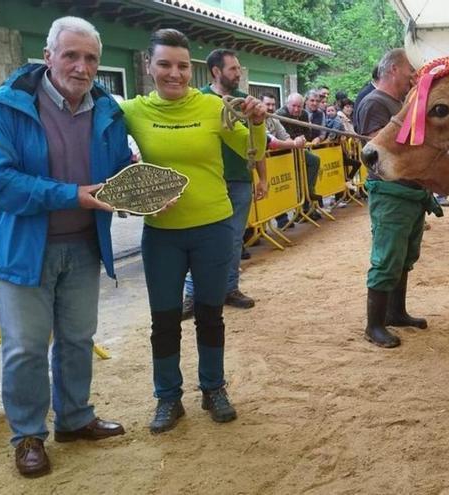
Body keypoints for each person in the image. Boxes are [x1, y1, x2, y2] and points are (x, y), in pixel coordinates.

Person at [0, 16, 128, 478]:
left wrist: (137, 192)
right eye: (71, 55)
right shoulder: (5, 105)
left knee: (78, 339)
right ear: (48, 56)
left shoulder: (108, 109)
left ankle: (75, 418)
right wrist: (73, 194)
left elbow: (118, 170)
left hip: (83, 245)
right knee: (25, 347)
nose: (82, 67)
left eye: (91, 58)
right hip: (23, 250)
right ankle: (27, 435)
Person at [118, 29, 267, 434]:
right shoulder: (132, 111)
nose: (174, 73)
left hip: (214, 228)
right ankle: (168, 398)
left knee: (210, 314)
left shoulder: (212, 105)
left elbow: (252, 150)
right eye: (164, 64)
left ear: (193, 69)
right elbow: (107, 154)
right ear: (149, 66)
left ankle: (213, 388)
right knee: (164, 320)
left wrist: (256, 122)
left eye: (182, 65)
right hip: (162, 233)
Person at [355, 48, 443, 348]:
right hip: (390, 193)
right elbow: (378, 150)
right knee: (387, 257)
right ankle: (374, 325)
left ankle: (396, 312)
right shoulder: (373, 103)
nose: (413, 76)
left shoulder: (398, 101)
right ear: (393, 69)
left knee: (404, 256)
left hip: (410, 191)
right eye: (409, 71)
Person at [181, 48, 268, 320]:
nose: (238, 73)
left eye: (239, 68)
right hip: (207, 181)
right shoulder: (197, 100)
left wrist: (262, 178)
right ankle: (192, 296)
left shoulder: (246, 102)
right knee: (200, 239)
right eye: (233, 69)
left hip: (240, 179)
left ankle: (229, 289)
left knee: (232, 240)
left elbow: (257, 145)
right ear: (216, 71)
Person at [276, 92, 323, 221]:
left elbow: (308, 133)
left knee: (314, 161)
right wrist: (296, 140)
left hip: (298, 149)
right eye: (294, 106)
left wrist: (301, 139)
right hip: (282, 152)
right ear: (287, 104)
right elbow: (284, 135)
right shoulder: (280, 114)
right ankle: (285, 218)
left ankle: (308, 193)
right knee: (286, 183)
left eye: (299, 106)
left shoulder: (304, 114)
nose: (297, 109)